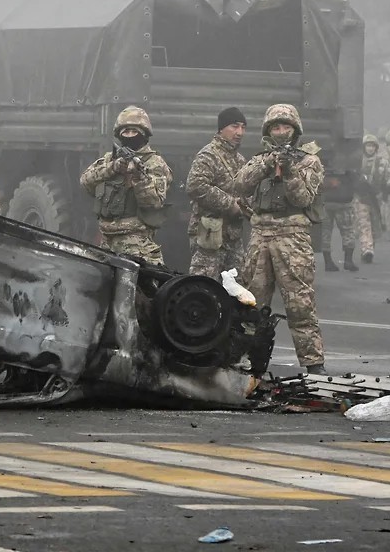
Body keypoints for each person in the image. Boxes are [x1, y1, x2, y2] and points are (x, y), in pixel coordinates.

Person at [234, 103, 328, 375]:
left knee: (300, 303)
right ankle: (248, 360)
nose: (281, 131)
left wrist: (288, 172)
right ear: (268, 130)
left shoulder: (309, 161)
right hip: (260, 235)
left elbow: (303, 198)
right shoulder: (260, 158)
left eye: (286, 126)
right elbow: (239, 185)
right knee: (252, 303)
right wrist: (267, 164)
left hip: (292, 236)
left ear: (295, 130)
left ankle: (313, 363)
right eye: (276, 127)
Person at [80, 106, 172, 265]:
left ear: (143, 134)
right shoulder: (110, 159)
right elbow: (85, 182)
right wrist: (112, 169)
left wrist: (137, 178)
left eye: (134, 132)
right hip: (106, 243)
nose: (129, 136)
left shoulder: (154, 163)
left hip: (137, 245)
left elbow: (154, 202)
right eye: (125, 132)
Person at [185, 107, 250, 281]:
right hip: (209, 237)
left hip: (233, 238)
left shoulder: (240, 160)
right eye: (234, 126)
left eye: (243, 127)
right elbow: (195, 186)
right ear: (221, 128)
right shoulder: (208, 155)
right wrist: (230, 204)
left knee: (237, 290)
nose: (239, 132)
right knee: (204, 288)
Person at [353, 134, 390, 263]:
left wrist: (389, 188)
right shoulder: (357, 161)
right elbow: (350, 177)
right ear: (364, 147)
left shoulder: (382, 162)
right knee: (364, 224)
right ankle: (367, 249)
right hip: (361, 198)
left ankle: (369, 249)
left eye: (372, 146)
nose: (370, 148)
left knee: (375, 227)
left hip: (377, 199)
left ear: (375, 147)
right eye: (367, 145)